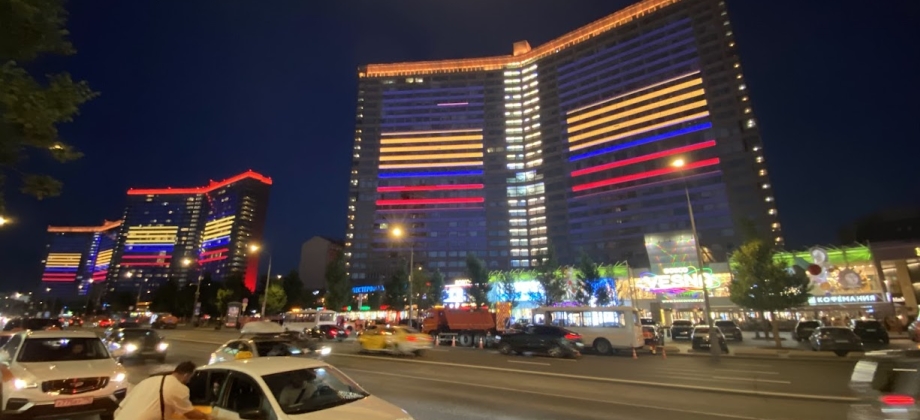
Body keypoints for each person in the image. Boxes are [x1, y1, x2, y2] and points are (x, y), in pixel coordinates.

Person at [114, 361, 212, 420]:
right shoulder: (178, 387)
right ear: (186, 375)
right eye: (191, 377)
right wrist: (207, 417)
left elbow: (121, 407)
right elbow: (190, 414)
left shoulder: (149, 381)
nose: (190, 380)